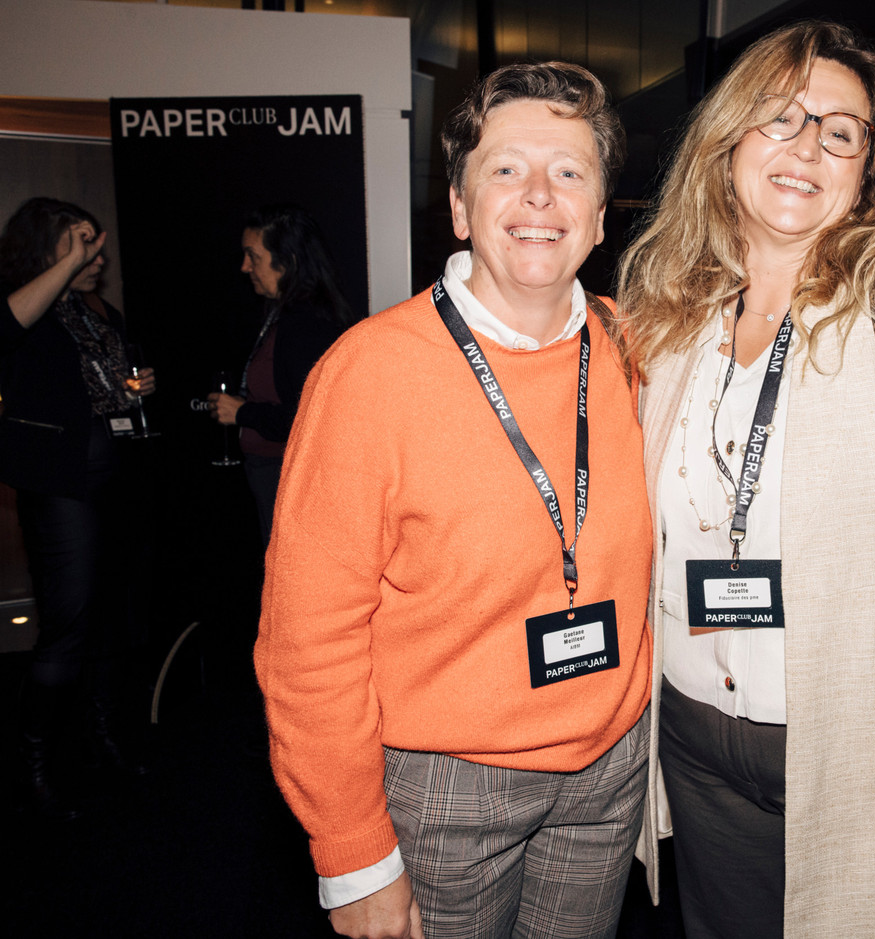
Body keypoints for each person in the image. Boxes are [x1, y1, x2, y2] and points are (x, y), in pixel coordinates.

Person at [616, 21, 875, 938]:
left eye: (840, 130)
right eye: (780, 118)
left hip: (867, 751)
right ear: (728, 144)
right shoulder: (671, 317)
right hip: (692, 740)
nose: (807, 145)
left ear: (869, 165)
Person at [254, 62, 651, 939]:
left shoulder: (637, 349)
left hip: (611, 765)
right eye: (506, 168)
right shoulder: (368, 373)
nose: (540, 196)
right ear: (463, 208)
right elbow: (307, 639)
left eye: (570, 172)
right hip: (444, 785)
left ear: (599, 212)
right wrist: (353, 850)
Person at [1, 197, 156, 819]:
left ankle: (101, 739)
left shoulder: (97, 310)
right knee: (67, 625)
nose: (96, 254)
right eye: (80, 242)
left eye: (96, 243)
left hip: (112, 480)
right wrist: (64, 267)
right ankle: (33, 765)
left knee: (110, 617)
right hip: (61, 486)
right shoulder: (26, 302)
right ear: (46, 248)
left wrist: (142, 383)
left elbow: (114, 377)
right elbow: (6, 330)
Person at [207, 204, 359, 547]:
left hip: (288, 477)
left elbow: (312, 417)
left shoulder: (307, 325)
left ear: (286, 261)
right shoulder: (286, 313)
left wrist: (242, 412)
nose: (245, 267)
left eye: (253, 256)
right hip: (274, 472)